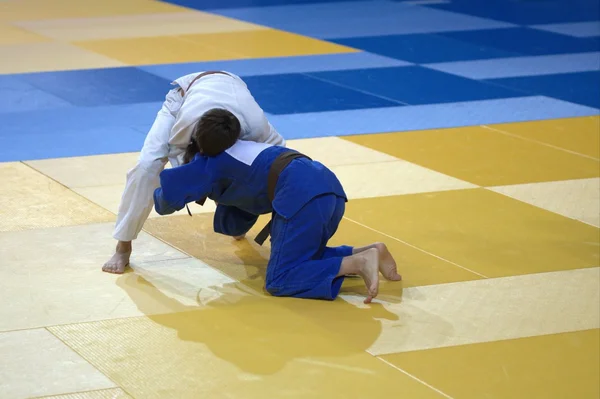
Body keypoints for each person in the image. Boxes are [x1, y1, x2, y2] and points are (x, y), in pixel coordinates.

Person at [152, 108, 402, 303]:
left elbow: (168, 199)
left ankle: (356, 264)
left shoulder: (208, 162)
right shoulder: (251, 146)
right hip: (328, 187)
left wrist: (152, 192)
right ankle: (367, 251)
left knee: (280, 279)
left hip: (300, 196)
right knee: (304, 258)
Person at [102, 71, 285, 274]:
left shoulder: (256, 128)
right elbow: (181, 163)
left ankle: (235, 220)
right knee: (147, 166)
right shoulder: (186, 124)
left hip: (231, 90)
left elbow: (279, 160)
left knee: (246, 169)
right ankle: (123, 246)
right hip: (183, 99)